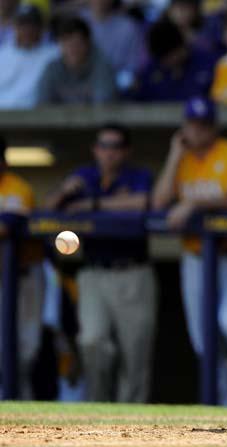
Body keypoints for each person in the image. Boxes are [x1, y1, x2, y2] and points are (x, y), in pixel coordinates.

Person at [152, 96, 227, 405]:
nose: (197, 132)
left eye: (203, 126)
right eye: (192, 125)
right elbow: (159, 203)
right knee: (202, 340)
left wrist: (194, 203)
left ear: (214, 127)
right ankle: (222, 404)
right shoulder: (181, 158)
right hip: (195, 257)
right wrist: (174, 155)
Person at [45, 123, 157, 402]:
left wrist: (92, 205)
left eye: (116, 146)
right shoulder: (83, 177)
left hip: (133, 272)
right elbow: (46, 210)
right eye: (104, 146)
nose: (109, 153)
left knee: (135, 353)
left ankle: (133, 422)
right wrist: (64, 192)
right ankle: (97, 408)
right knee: (91, 341)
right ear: (95, 149)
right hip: (93, 273)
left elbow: (143, 203)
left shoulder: (138, 175)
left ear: (125, 151)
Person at [0, 133, 45, 399]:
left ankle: (22, 410)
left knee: (26, 352)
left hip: (24, 277)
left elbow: (6, 226)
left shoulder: (17, 188)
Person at [37, 16, 117, 104]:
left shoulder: (102, 66)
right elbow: (43, 103)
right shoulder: (53, 68)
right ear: (59, 45)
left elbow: (104, 106)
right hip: (59, 117)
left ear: (87, 43)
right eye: (67, 43)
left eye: (77, 43)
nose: (72, 49)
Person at [134, 19, 217, 102]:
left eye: (170, 56)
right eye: (162, 59)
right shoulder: (151, 71)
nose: (167, 62)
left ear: (180, 47)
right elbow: (138, 101)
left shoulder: (208, 63)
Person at [0, 5, 59, 109]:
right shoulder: (2, 54)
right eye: (23, 24)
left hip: (35, 118)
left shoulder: (54, 53)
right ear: (14, 27)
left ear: (42, 28)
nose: (27, 30)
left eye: (32, 25)